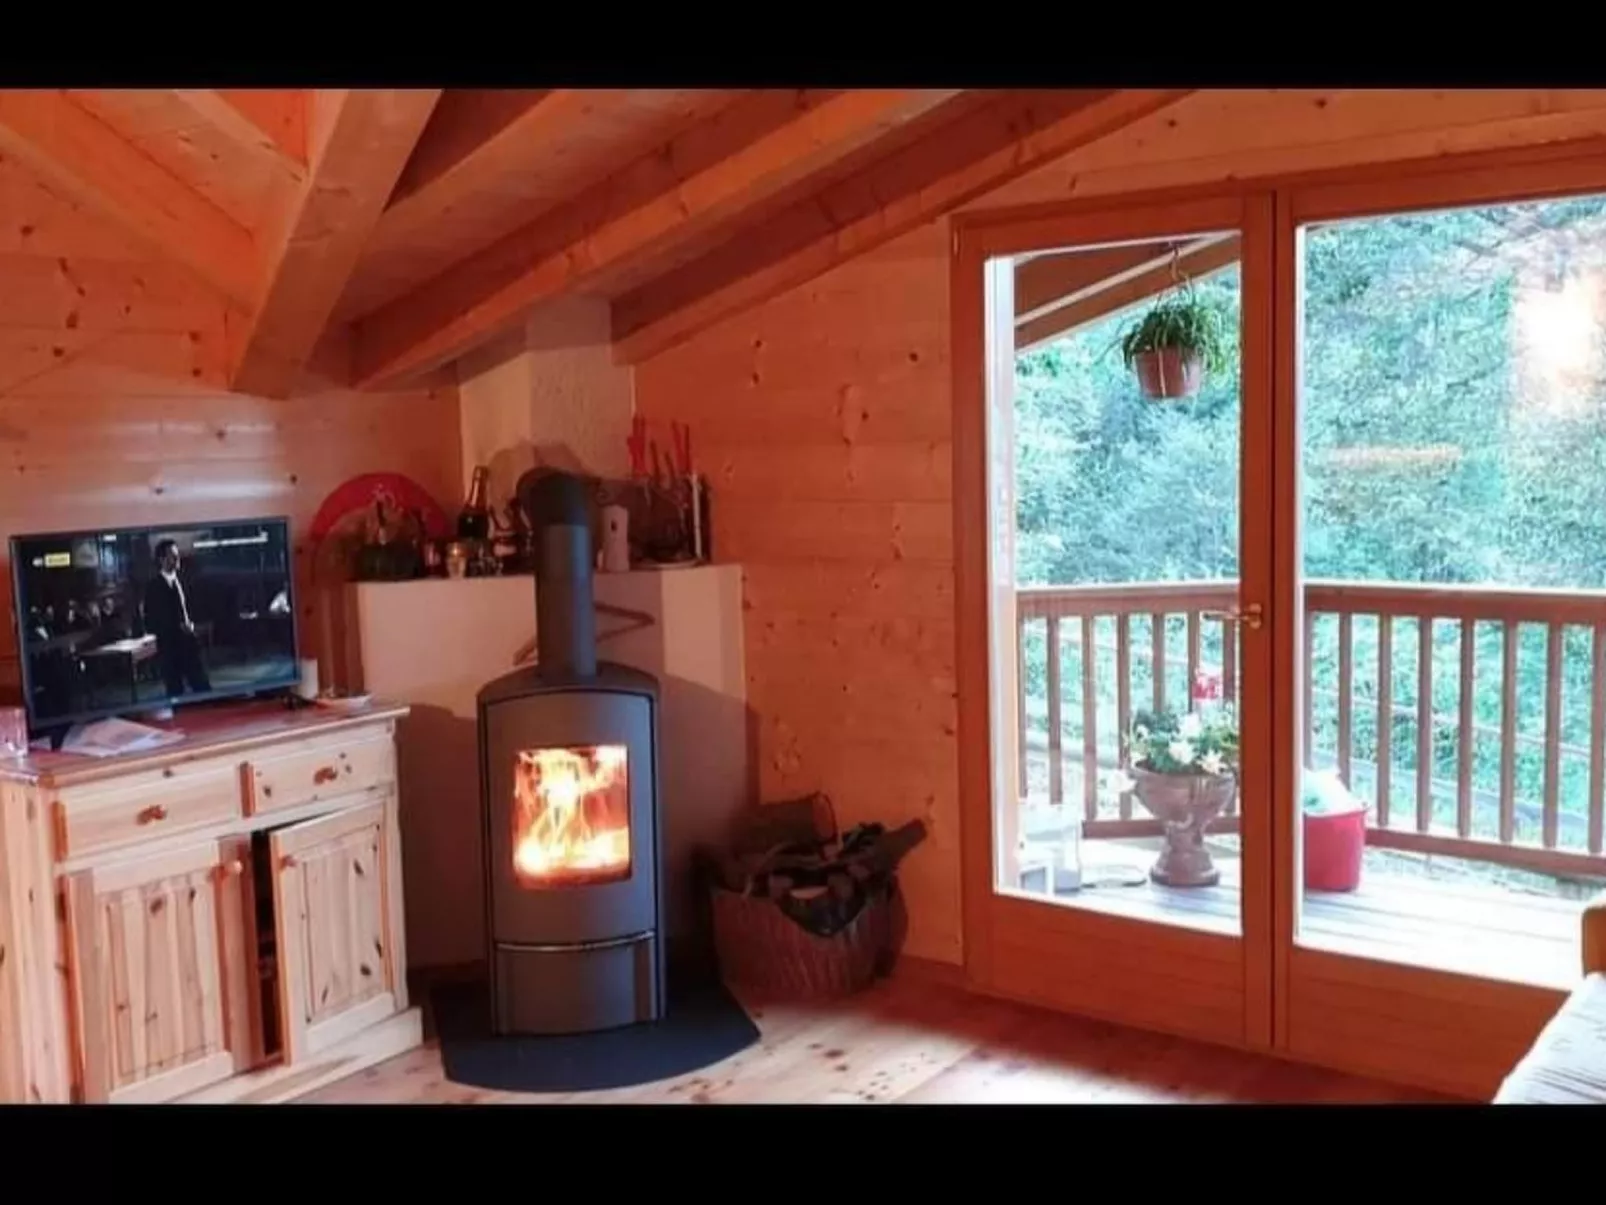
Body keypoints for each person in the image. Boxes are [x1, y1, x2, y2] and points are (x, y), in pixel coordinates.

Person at [142, 538, 211, 697]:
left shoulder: (185, 581)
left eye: (177, 554)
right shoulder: (153, 588)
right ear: (162, 559)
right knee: (175, 692)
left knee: (202, 687)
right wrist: (175, 627)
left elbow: (193, 607)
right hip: (169, 649)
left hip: (189, 644)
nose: (177, 559)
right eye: (173, 556)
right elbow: (150, 621)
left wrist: (191, 625)